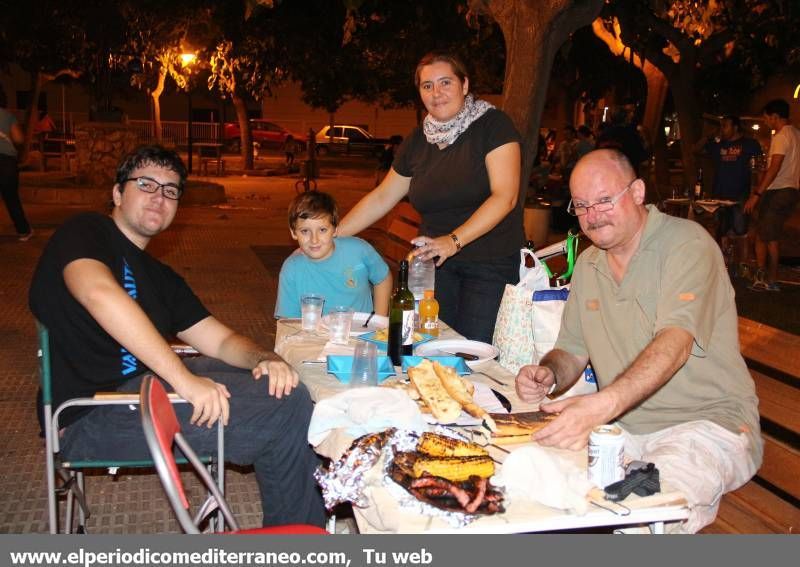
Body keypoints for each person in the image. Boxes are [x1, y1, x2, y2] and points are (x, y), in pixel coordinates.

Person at [29, 145, 326, 528]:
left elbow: (218, 340)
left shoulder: (161, 277)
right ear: (118, 194)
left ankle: (288, 522)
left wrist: (266, 359)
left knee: (283, 388)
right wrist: (183, 380)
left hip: (137, 391)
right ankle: (298, 537)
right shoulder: (86, 232)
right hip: (90, 415)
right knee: (286, 411)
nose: (159, 196)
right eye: (146, 184)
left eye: (170, 190)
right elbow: (97, 293)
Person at [515, 149, 762, 533]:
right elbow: (573, 350)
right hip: (623, 431)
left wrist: (603, 404)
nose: (592, 216)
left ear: (637, 192)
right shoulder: (590, 263)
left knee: (637, 515)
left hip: (706, 427)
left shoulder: (686, 245)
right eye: (581, 206)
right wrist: (548, 373)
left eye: (603, 200)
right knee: (525, 478)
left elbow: (676, 342)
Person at [337, 50, 523, 343]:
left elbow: (505, 197)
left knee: (471, 354)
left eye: (445, 82)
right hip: (435, 264)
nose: (436, 93)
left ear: (464, 85)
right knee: (429, 345)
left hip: (489, 262)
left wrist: (454, 240)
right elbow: (383, 196)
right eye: (427, 86)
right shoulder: (418, 140)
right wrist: (333, 235)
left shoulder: (493, 126)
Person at [275, 190, 391, 318]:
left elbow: (383, 278)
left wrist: (379, 322)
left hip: (362, 335)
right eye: (305, 231)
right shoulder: (291, 269)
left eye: (322, 230)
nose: (314, 240)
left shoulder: (359, 250)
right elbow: (287, 321)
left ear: (335, 229)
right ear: (293, 232)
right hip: (316, 337)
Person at [744, 99, 800, 291]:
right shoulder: (796, 134)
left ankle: (771, 280)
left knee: (770, 237)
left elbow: (775, 168)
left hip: (778, 191)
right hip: (790, 190)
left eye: (767, 118)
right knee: (762, 234)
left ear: (775, 116)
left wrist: (756, 194)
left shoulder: (781, 136)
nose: (766, 122)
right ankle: (762, 275)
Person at [697, 115, 762, 244]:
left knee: (740, 229)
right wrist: (708, 136)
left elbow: (758, 169)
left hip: (740, 195)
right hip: (719, 194)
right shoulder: (718, 145)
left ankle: (737, 258)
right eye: (721, 126)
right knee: (720, 229)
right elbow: (695, 149)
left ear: (735, 127)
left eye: (725, 126)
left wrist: (755, 194)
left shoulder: (750, 144)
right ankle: (723, 259)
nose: (722, 129)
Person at [0, 87, 33, 241]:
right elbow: (19, 139)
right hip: (6, 162)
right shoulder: (8, 116)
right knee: (11, 198)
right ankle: (23, 231)